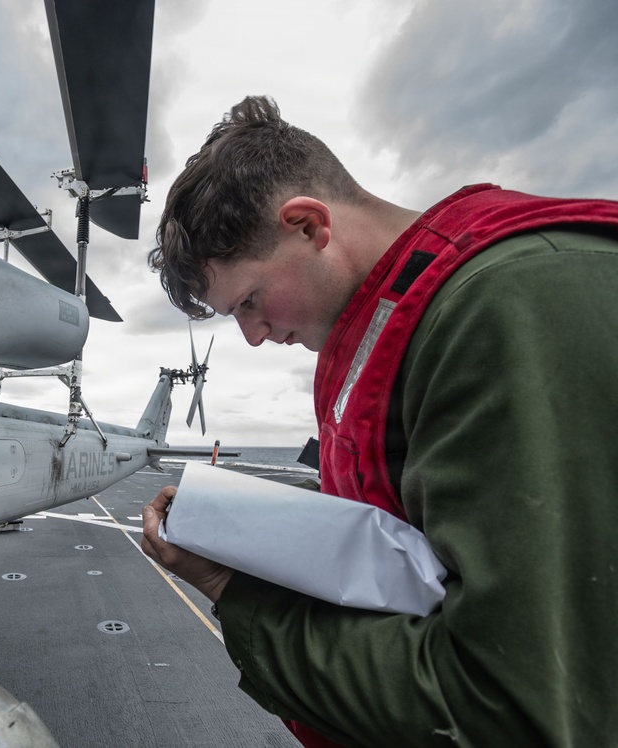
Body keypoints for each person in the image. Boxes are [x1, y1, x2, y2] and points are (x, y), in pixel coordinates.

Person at [140, 95, 618, 747]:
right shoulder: (403, 324)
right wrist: (238, 520)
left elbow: (507, 706)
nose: (253, 335)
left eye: (249, 301)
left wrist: (235, 593)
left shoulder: (505, 312)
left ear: (308, 226)